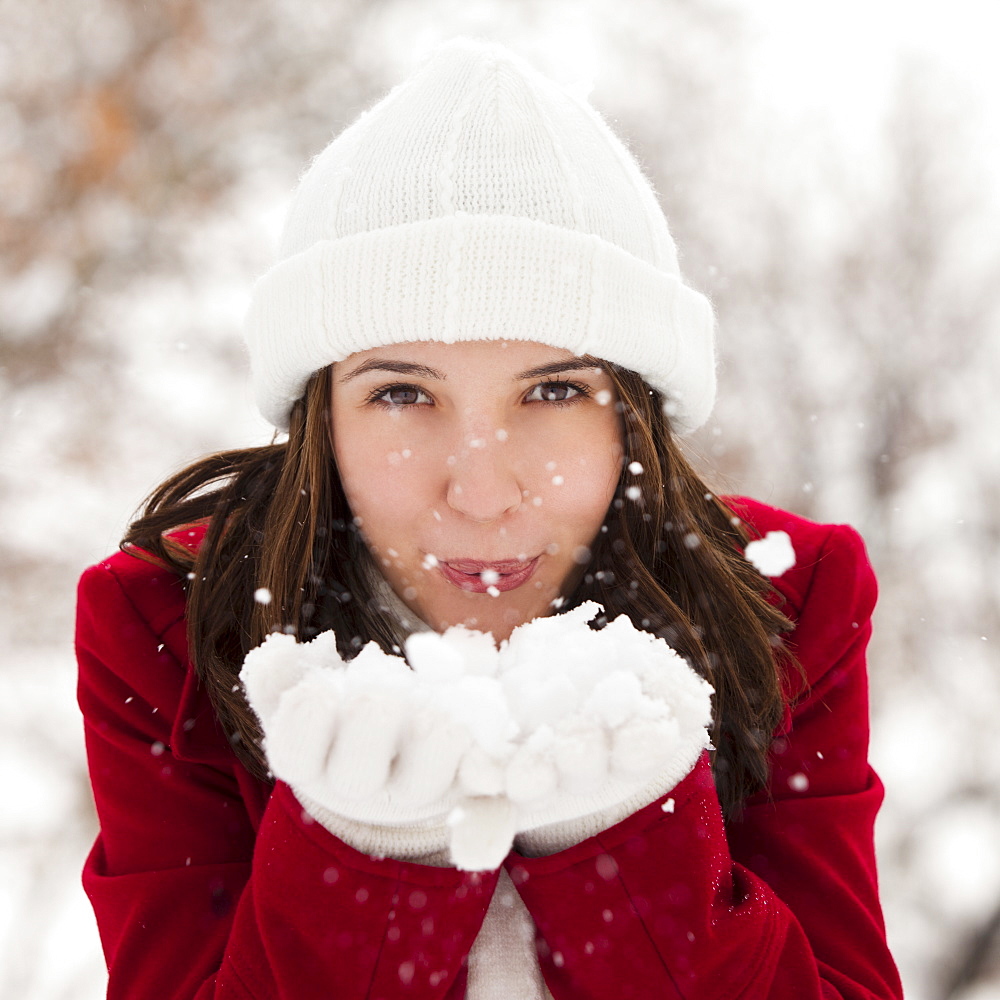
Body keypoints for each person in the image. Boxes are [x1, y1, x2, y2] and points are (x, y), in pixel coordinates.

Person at [75, 37, 903, 1000]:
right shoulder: (173, 627)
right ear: (319, 418)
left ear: (633, 416)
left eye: (552, 391)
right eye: (400, 395)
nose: (481, 490)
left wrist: (626, 845)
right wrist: (371, 855)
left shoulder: (785, 599)